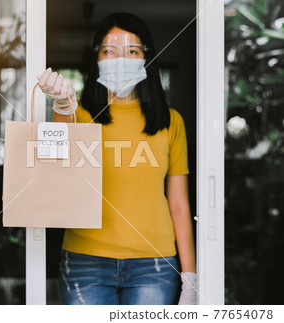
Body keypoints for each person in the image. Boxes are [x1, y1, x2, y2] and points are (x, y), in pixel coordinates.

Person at [37, 12, 196, 305]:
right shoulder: (79, 115)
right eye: (109, 51)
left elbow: (179, 204)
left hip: (154, 264)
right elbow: (52, 165)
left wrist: (190, 277)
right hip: (86, 262)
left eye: (132, 51)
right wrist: (61, 105)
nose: (120, 60)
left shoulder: (171, 122)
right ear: (96, 58)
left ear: (146, 58)